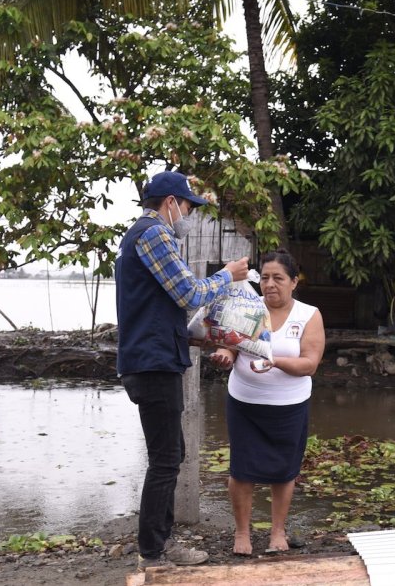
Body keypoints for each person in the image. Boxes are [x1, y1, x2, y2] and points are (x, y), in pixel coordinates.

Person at [115, 170, 249, 569]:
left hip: (153, 358)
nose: (190, 215)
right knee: (165, 459)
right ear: (170, 203)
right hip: (153, 364)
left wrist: (193, 334)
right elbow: (188, 292)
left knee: (171, 455)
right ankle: (153, 553)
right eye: (189, 206)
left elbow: (157, 307)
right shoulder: (155, 233)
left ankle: (160, 543)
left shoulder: (139, 237)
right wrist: (228, 276)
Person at [207, 249, 325, 556]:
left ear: (294, 282)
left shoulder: (309, 315)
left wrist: (274, 361)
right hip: (244, 402)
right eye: (266, 278)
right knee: (241, 470)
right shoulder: (247, 306)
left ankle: (277, 532)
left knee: (284, 471)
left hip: (289, 405)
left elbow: (310, 364)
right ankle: (242, 533)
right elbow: (232, 347)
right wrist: (225, 355)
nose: (270, 284)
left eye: (279, 278)